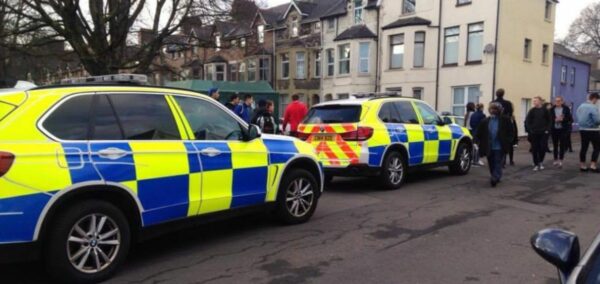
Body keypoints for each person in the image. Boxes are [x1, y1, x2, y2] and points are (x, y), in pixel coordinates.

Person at [474, 103, 514, 187]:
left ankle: (494, 177)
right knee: (491, 162)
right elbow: (479, 132)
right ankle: (495, 175)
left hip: (500, 146)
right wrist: (475, 141)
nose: (493, 111)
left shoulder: (505, 120)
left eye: (495, 109)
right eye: (492, 109)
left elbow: (511, 132)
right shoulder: (485, 121)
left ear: (499, 110)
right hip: (489, 146)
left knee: (498, 162)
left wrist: (509, 141)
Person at [525, 96, 552, 171]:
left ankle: (541, 161)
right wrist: (530, 130)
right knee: (534, 148)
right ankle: (536, 163)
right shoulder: (532, 111)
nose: (534, 102)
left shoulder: (545, 110)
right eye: (533, 101)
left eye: (536, 101)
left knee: (542, 147)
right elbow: (527, 121)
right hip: (534, 132)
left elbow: (549, 121)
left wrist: (547, 130)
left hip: (543, 132)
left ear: (540, 101)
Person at [576, 92, 600, 172]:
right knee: (597, 147)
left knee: (584, 147)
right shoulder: (593, 107)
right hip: (593, 130)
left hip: (582, 129)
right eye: (597, 100)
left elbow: (577, 116)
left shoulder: (581, 106)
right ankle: (593, 165)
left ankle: (582, 165)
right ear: (594, 98)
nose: (596, 102)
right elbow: (597, 120)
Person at [549, 96, 573, 169]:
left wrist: (563, 119)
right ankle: (555, 159)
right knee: (555, 145)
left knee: (562, 145)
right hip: (554, 129)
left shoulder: (566, 109)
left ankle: (561, 160)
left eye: (559, 101)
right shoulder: (551, 109)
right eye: (556, 101)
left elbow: (571, 119)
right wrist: (554, 120)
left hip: (563, 130)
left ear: (562, 101)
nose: (557, 102)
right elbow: (549, 119)